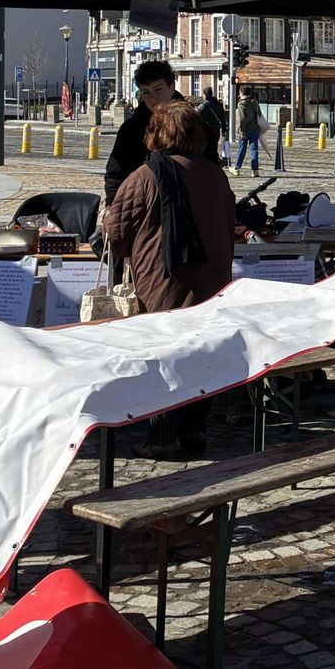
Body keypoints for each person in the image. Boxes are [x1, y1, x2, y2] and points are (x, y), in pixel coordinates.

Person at [102, 101, 239, 458]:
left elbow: (117, 235)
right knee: (200, 355)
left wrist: (106, 221)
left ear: (157, 134)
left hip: (163, 281)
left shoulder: (146, 175)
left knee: (163, 356)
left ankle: (164, 437)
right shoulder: (214, 174)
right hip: (212, 280)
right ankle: (194, 431)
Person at [104, 61, 215, 204]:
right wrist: (111, 205)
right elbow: (115, 173)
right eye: (146, 92)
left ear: (172, 87)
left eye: (158, 89)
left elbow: (211, 171)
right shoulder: (131, 129)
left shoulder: (196, 126)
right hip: (141, 205)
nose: (152, 98)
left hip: (190, 205)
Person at [234, 87, 265, 177]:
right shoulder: (254, 102)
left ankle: (237, 168)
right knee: (254, 149)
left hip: (246, 130)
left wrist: (242, 131)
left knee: (242, 149)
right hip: (255, 128)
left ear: (241, 93)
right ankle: (255, 170)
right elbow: (259, 114)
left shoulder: (241, 104)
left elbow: (242, 119)